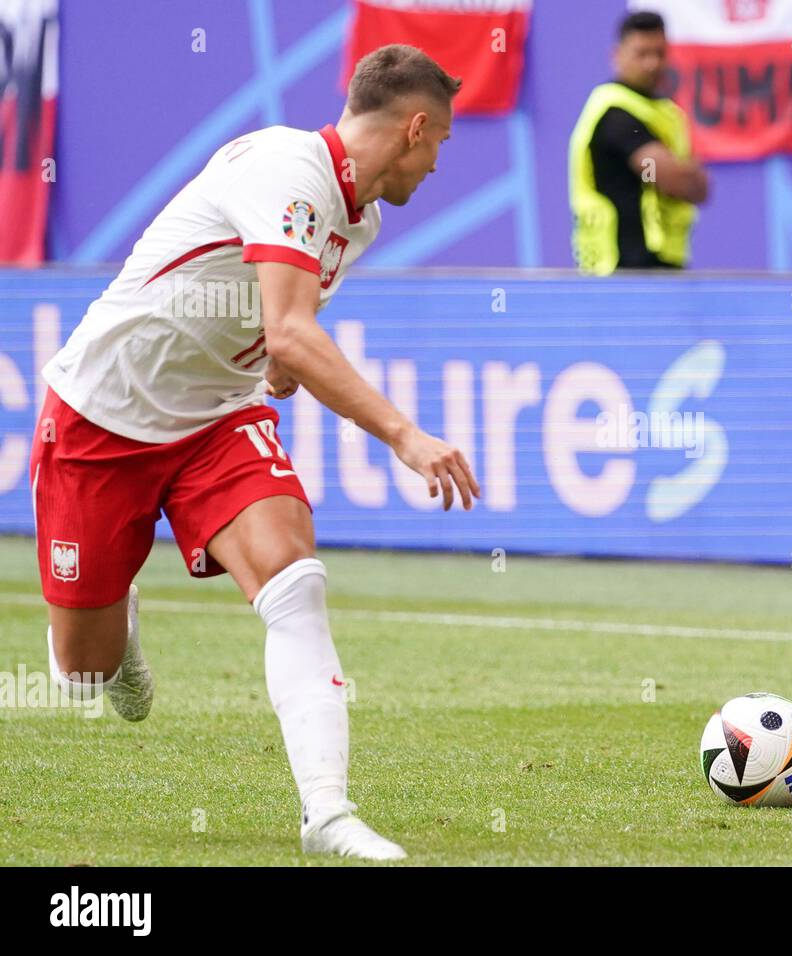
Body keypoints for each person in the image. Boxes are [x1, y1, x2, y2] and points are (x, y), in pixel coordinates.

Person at [30, 44, 480, 861]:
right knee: (85, 674)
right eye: (442, 139)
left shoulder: (361, 217)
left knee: (294, 578)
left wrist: (273, 358)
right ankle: (114, 625)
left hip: (214, 421)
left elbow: (279, 327)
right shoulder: (286, 168)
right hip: (103, 417)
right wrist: (406, 436)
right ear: (415, 126)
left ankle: (327, 814)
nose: (440, 159)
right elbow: (293, 330)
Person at [569, 10, 708, 275]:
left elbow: (700, 189)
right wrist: (684, 172)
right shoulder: (615, 113)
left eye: (660, 53)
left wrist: (685, 177)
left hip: (662, 266)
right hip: (620, 269)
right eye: (642, 53)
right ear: (617, 55)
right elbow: (676, 180)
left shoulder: (666, 112)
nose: (652, 63)